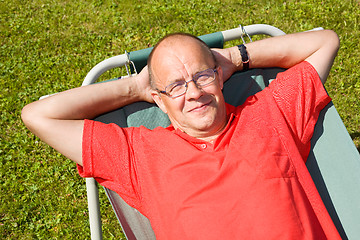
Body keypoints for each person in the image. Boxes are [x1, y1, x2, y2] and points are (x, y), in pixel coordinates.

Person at [22, 29, 340, 239]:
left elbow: (325, 41)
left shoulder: (271, 113)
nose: (194, 93)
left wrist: (232, 57)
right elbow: (38, 115)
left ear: (220, 77)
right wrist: (136, 86)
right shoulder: (139, 156)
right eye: (175, 86)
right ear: (158, 99)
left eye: (202, 76)